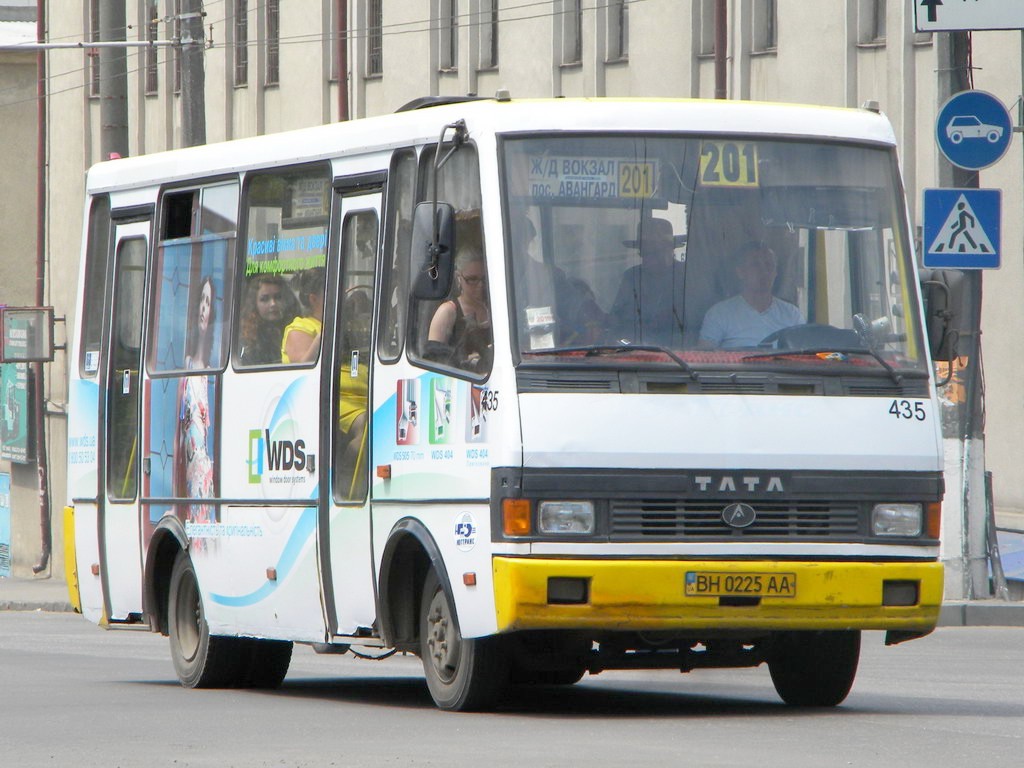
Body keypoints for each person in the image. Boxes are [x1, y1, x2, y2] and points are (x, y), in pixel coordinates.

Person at [699, 240, 803, 348]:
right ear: (741, 272)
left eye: (769, 265)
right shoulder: (719, 314)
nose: (764, 271)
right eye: (755, 265)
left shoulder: (793, 315)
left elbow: (804, 356)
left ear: (776, 273)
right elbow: (704, 356)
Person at [177, 276, 216, 545]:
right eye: (201, 301)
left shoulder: (214, 369)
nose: (204, 308)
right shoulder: (186, 364)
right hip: (190, 477)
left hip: (207, 477)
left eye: (209, 302)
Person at [608, 217, 685, 346]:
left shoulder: (685, 275)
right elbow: (618, 315)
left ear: (670, 250)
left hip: (677, 347)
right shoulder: (631, 276)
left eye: (656, 252)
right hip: (634, 346)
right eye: (645, 252)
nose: (648, 257)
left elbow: (694, 315)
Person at [426, 246, 492, 369]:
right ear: (458, 277)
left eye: (484, 279)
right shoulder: (447, 312)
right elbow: (433, 361)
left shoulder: (494, 308)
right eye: (472, 279)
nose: (480, 286)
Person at [238, 274, 298, 365]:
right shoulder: (248, 338)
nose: (273, 304)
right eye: (265, 299)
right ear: (254, 303)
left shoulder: (296, 330)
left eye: (278, 297)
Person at [282, 267, 326, 364]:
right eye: (333, 293)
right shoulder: (299, 328)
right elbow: (303, 366)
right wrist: (327, 334)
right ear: (313, 299)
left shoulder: (348, 323)